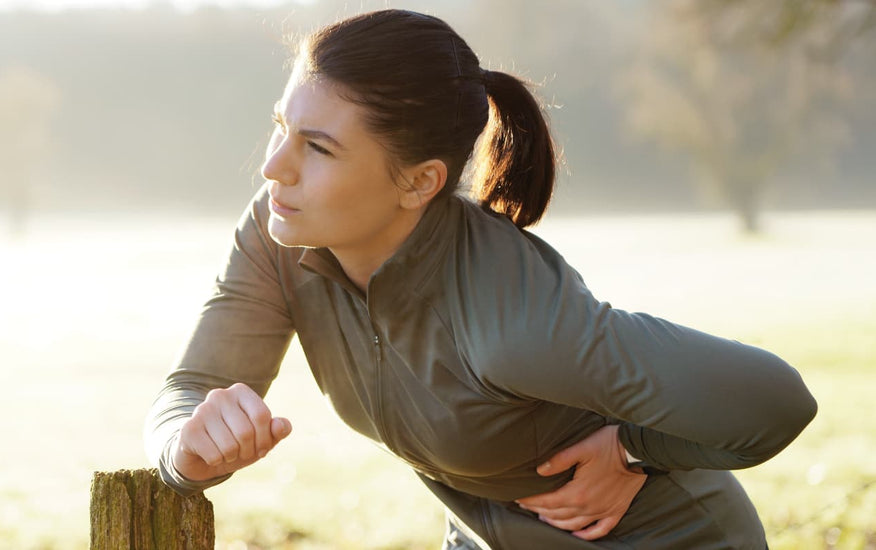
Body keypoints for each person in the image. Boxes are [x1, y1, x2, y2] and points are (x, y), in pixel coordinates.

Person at [145, 9, 817, 549]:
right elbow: (191, 390)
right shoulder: (277, 231)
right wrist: (188, 450)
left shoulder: (513, 324)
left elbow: (775, 403)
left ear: (419, 183)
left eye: (317, 147)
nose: (274, 169)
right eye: (280, 128)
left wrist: (634, 447)